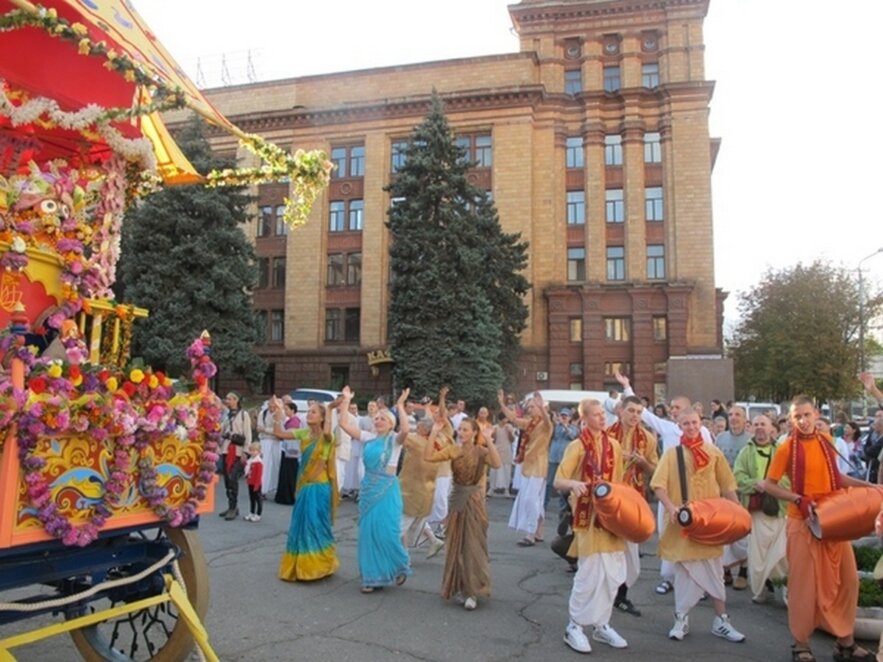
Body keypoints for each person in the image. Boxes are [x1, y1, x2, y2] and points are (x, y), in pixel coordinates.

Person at [762, 396, 874, 662]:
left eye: (806, 415)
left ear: (815, 415)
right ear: (791, 420)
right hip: (803, 522)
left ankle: (845, 642)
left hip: (833, 520)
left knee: (847, 580)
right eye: (796, 416)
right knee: (804, 586)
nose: (802, 420)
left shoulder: (827, 442)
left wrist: (868, 488)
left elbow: (837, 479)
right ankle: (802, 644)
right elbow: (769, 485)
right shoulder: (786, 448)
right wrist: (799, 499)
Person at [650, 410, 746, 644]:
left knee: (714, 571)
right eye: (686, 424)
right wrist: (671, 507)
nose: (691, 427)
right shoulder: (672, 454)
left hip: (710, 524)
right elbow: (658, 485)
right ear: (679, 426)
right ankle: (681, 619)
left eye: (694, 422)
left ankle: (722, 620)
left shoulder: (713, 453)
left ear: (701, 424)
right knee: (684, 574)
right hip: (684, 525)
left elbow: (727, 485)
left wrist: (738, 513)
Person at [614, 370, 712, 594]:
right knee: (667, 533)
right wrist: (627, 386)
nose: (672, 411)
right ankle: (668, 578)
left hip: (695, 492)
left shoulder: (703, 432)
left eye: (676, 407)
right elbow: (644, 415)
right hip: (668, 491)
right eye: (672, 408)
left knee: (692, 534)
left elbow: (710, 460)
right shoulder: (666, 428)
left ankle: (698, 582)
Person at [554, 398, 630, 653]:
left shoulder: (615, 446)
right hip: (588, 518)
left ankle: (601, 624)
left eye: (602, 414)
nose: (602, 418)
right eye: (596, 415)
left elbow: (619, 482)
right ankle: (574, 626)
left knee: (614, 574)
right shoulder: (577, 446)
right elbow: (558, 480)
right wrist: (573, 485)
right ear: (585, 419)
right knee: (589, 574)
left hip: (610, 518)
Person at [338, 386, 412, 593]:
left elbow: (405, 431)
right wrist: (346, 400)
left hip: (387, 490)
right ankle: (371, 577)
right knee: (368, 534)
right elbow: (344, 423)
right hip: (369, 490)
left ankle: (398, 564)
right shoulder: (368, 438)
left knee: (387, 533)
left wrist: (400, 406)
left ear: (391, 424)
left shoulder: (394, 441)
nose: (378, 421)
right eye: (376, 418)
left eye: (383, 419)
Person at [425, 415, 502, 610]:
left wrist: (489, 440)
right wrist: (434, 431)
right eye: (460, 429)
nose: (461, 432)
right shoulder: (454, 449)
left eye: (466, 429)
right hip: (457, 499)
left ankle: (473, 591)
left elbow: (497, 463)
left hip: (474, 501)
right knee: (456, 544)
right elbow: (428, 457)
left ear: (474, 432)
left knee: (472, 545)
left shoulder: (480, 451)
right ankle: (460, 586)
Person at [273, 396, 341, 581]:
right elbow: (279, 433)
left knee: (316, 525)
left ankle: (320, 565)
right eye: (308, 411)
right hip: (304, 486)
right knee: (300, 524)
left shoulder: (328, 437)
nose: (308, 414)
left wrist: (331, 409)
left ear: (321, 417)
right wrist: (278, 412)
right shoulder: (303, 433)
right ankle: (301, 565)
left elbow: (327, 434)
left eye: (313, 412)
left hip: (319, 488)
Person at [607, 395, 658, 617]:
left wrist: (642, 462)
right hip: (609, 500)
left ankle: (622, 595)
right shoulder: (607, 435)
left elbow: (655, 472)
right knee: (607, 550)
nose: (635, 416)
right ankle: (606, 595)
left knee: (630, 553)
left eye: (639, 412)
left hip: (634, 500)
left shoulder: (648, 439)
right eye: (631, 411)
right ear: (621, 411)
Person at [732, 414, 787, 603]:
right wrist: (756, 484)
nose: (759, 428)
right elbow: (737, 477)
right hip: (757, 513)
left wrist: (771, 486)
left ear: (772, 428)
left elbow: (789, 479)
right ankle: (762, 588)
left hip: (779, 511)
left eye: (763, 424)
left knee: (780, 553)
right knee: (758, 554)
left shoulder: (781, 451)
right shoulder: (745, 452)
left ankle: (782, 585)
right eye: (756, 424)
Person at [499, 389, 553, 546]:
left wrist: (542, 407)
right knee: (534, 499)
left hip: (539, 465)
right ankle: (539, 530)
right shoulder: (529, 423)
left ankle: (530, 533)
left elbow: (548, 421)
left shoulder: (545, 425)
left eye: (533, 407)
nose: (530, 409)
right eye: (529, 407)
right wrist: (502, 404)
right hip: (528, 465)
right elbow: (514, 418)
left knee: (530, 499)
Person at [716, 405, 752, 590]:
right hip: (723, 494)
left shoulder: (751, 440)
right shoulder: (720, 438)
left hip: (743, 494)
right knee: (725, 532)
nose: (734, 418)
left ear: (745, 419)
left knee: (744, 533)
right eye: (730, 415)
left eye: (738, 414)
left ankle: (744, 573)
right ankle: (726, 571)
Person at [399, 414, 444, 560]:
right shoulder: (437, 444)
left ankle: (402, 557)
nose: (416, 428)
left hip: (410, 489)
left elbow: (399, 436)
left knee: (401, 524)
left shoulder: (418, 442)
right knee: (414, 520)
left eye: (418, 427)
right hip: (426, 491)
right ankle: (433, 540)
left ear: (425, 430)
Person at [218, 392, 252, 521]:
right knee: (227, 479)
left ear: (236, 400)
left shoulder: (244, 415)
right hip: (226, 449)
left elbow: (247, 434)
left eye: (230, 399)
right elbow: (222, 431)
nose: (228, 401)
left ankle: (233, 507)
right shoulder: (227, 416)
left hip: (237, 451)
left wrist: (246, 451)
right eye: (226, 399)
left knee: (233, 478)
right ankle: (231, 506)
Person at [546, 407, 579, 510]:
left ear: (570, 418)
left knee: (563, 484)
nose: (563, 418)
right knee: (549, 483)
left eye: (566, 416)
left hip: (564, 460)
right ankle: (544, 505)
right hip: (553, 458)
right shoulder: (555, 427)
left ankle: (563, 506)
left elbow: (572, 436)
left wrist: (565, 425)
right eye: (562, 416)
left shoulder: (574, 428)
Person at [255, 399, 280, 498]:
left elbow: (277, 430)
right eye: (270, 406)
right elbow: (259, 427)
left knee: (274, 466)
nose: (272, 408)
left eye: (274, 406)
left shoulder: (279, 414)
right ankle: (262, 489)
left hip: (275, 442)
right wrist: (268, 430)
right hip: (265, 441)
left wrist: (265, 430)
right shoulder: (263, 413)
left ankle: (273, 487)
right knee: (264, 466)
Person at [489, 412, 516, 496]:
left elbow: (512, 440)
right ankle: (491, 488)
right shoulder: (495, 427)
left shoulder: (509, 427)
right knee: (494, 470)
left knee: (507, 470)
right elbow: (493, 439)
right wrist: (493, 433)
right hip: (497, 450)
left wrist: (509, 432)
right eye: (505, 418)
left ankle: (506, 489)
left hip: (506, 450)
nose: (506, 420)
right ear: (501, 419)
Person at [244, 442, 264, 522]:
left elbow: (258, 475)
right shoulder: (250, 461)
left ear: (259, 452)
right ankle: (251, 512)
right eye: (251, 451)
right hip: (251, 483)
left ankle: (258, 514)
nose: (253, 452)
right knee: (252, 499)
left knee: (258, 499)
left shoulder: (259, 462)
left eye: (255, 451)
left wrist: (257, 484)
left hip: (256, 483)